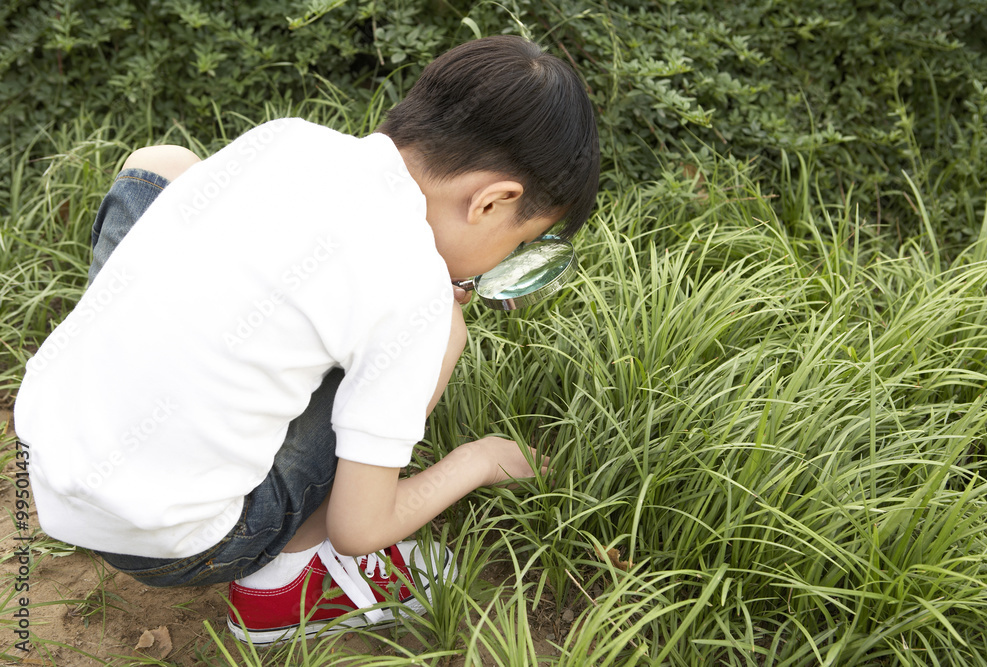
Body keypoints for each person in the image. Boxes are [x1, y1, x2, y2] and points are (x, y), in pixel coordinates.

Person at [13, 35, 599, 645]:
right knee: (442, 333)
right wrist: (476, 462)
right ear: (492, 201)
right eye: (521, 239)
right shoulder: (417, 292)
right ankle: (291, 578)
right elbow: (361, 525)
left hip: (47, 454)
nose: (504, 258)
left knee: (165, 166)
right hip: (166, 545)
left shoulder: (288, 138)